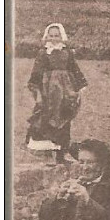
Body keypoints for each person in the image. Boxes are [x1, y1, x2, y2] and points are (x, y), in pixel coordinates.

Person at [26, 24, 88, 163]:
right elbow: (37, 72)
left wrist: (80, 84)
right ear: (47, 36)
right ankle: (47, 154)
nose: (54, 38)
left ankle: (61, 153)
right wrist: (36, 89)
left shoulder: (67, 52)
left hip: (66, 90)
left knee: (64, 118)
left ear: (62, 36)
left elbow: (74, 68)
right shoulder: (43, 53)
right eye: (51, 35)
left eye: (57, 35)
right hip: (49, 91)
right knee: (47, 118)